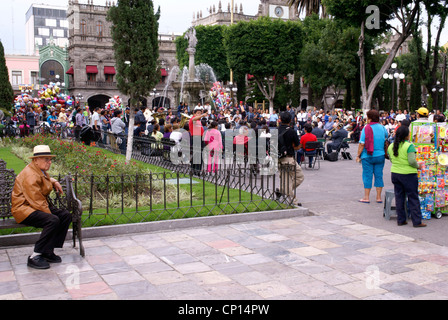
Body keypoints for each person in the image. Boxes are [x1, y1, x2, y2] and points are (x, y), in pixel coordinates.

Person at [11, 145, 72, 269]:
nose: (49, 162)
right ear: (35, 160)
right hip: (23, 209)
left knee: (65, 216)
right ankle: (35, 255)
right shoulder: (30, 175)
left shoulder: (37, 170)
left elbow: (44, 179)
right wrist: (51, 214)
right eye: (46, 159)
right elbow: (37, 201)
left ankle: (47, 251)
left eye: (50, 159)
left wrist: (54, 181)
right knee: (52, 220)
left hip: (33, 206)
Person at [387, 126, 427, 228]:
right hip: (408, 175)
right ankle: (417, 221)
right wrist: (419, 166)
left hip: (395, 173)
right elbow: (412, 161)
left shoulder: (391, 146)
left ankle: (401, 220)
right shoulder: (409, 146)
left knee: (399, 197)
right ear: (406, 135)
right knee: (413, 197)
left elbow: (391, 159)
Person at [356, 109, 388, 203]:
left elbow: (362, 143)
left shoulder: (366, 128)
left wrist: (358, 155)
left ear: (369, 118)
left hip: (368, 155)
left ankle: (366, 197)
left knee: (367, 175)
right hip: (380, 155)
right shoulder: (382, 128)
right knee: (379, 175)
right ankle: (378, 197)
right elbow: (386, 138)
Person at [277, 112, 305, 206]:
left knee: (289, 179)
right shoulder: (292, 131)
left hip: (279, 158)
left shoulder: (276, 130)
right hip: (288, 158)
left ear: (280, 119)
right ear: (290, 120)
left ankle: (282, 190)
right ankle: (293, 201)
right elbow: (297, 147)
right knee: (297, 177)